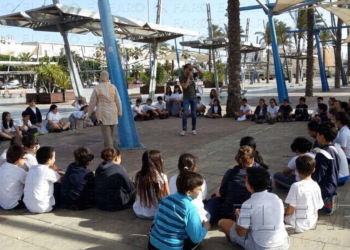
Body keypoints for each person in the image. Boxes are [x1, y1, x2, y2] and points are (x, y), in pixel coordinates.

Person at [218, 167, 290, 250]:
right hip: (284, 244)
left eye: (246, 179)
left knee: (223, 223)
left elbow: (241, 233)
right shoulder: (276, 198)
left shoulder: (248, 204)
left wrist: (238, 217)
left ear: (250, 186)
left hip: (261, 247)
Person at [149, 171, 210, 250]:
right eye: (198, 188)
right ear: (188, 192)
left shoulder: (165, 199)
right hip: (172, 247)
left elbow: (155, 221)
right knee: (197, 236)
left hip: (152, 245)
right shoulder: (191, 209)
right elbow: (196, 238)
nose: (201, 189)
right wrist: (206, 227)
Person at [204, 146, 255, 223]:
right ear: (252, 160)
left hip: (230, 213)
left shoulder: (231, 173)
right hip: (250, 213)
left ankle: (205, 220)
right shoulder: (257, 174)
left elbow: (223, 193)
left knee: (215, 198)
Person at [284, 155, 324, 233]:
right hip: (311, 221)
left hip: (297, 224)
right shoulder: (316, 185)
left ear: (296, 169)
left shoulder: (296, 186)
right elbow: (319, 205)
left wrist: (283, 211)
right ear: (313, 170)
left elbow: (290, 211)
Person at [169, 153, 209, 222]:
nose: (200, 189)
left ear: (178, 166)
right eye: (199, 188)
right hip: (194, 216)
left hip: (176, 213)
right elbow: (203, 198)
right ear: (195, 167)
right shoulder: (200, 181)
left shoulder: (172, 179)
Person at [88, 70, 122, 148]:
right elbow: (118, 100)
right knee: (111, 132)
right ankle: (108, 147)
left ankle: (109, 149)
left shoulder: (97, 87)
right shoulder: (113, 87)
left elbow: (92, 102)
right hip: (113, 111)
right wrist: (120, 111)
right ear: (108, 77)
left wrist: (89, 113)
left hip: (102, 111)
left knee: (106, 132)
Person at [23, 146, 62, 213]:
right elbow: (61, 180)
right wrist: (56, 170)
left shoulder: (32, 168)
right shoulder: (47, 171)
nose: (54, 160)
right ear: (49, 160)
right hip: (43, 207)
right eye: (54, 158)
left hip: (28, 206)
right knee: (58, 186)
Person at [312, 121, 340, 215]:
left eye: (317, 135)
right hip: (333, 184)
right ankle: (328, 197)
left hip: (325, 187)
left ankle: (326, 202)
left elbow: (319, 174)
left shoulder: (322, 154)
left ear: (322, 136)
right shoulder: (334, 149)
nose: (316, 137)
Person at [133, 150, 170, 219]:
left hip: (139, 212)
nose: (162, 160)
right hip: (156, 213)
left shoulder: (138, 175)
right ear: (157, 162)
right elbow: (167, 196)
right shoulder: (162, 177)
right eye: (161, 158)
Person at [0, 145, 27, 210]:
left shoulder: (2, 167)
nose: (25, 161)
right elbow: (28, 183)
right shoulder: (20, 171)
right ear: (19, 159)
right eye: (24, 158)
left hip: (2, 202)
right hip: (14, 204)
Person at [179, 64, 203, 136]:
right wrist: (189, 78)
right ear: (185, 69)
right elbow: (185, 86)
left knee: (194, 114)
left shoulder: (193, 75)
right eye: (189, 69)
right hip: (186, 97)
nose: (190, 71)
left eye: (191, 69)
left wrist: (195, 67)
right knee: (185, 114)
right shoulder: (182, 77)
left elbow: (201, 73)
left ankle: (193, 129)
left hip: (194, 97)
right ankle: (184, 130)